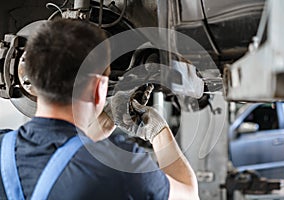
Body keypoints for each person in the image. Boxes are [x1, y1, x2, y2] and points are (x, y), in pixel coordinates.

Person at [0, 19, 199, 199]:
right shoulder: (120, 165)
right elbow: (188, 194)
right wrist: (158, 130)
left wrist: (106, 121)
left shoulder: (3, 147)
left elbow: (62, 158)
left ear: (32, 82)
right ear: (98, 88)